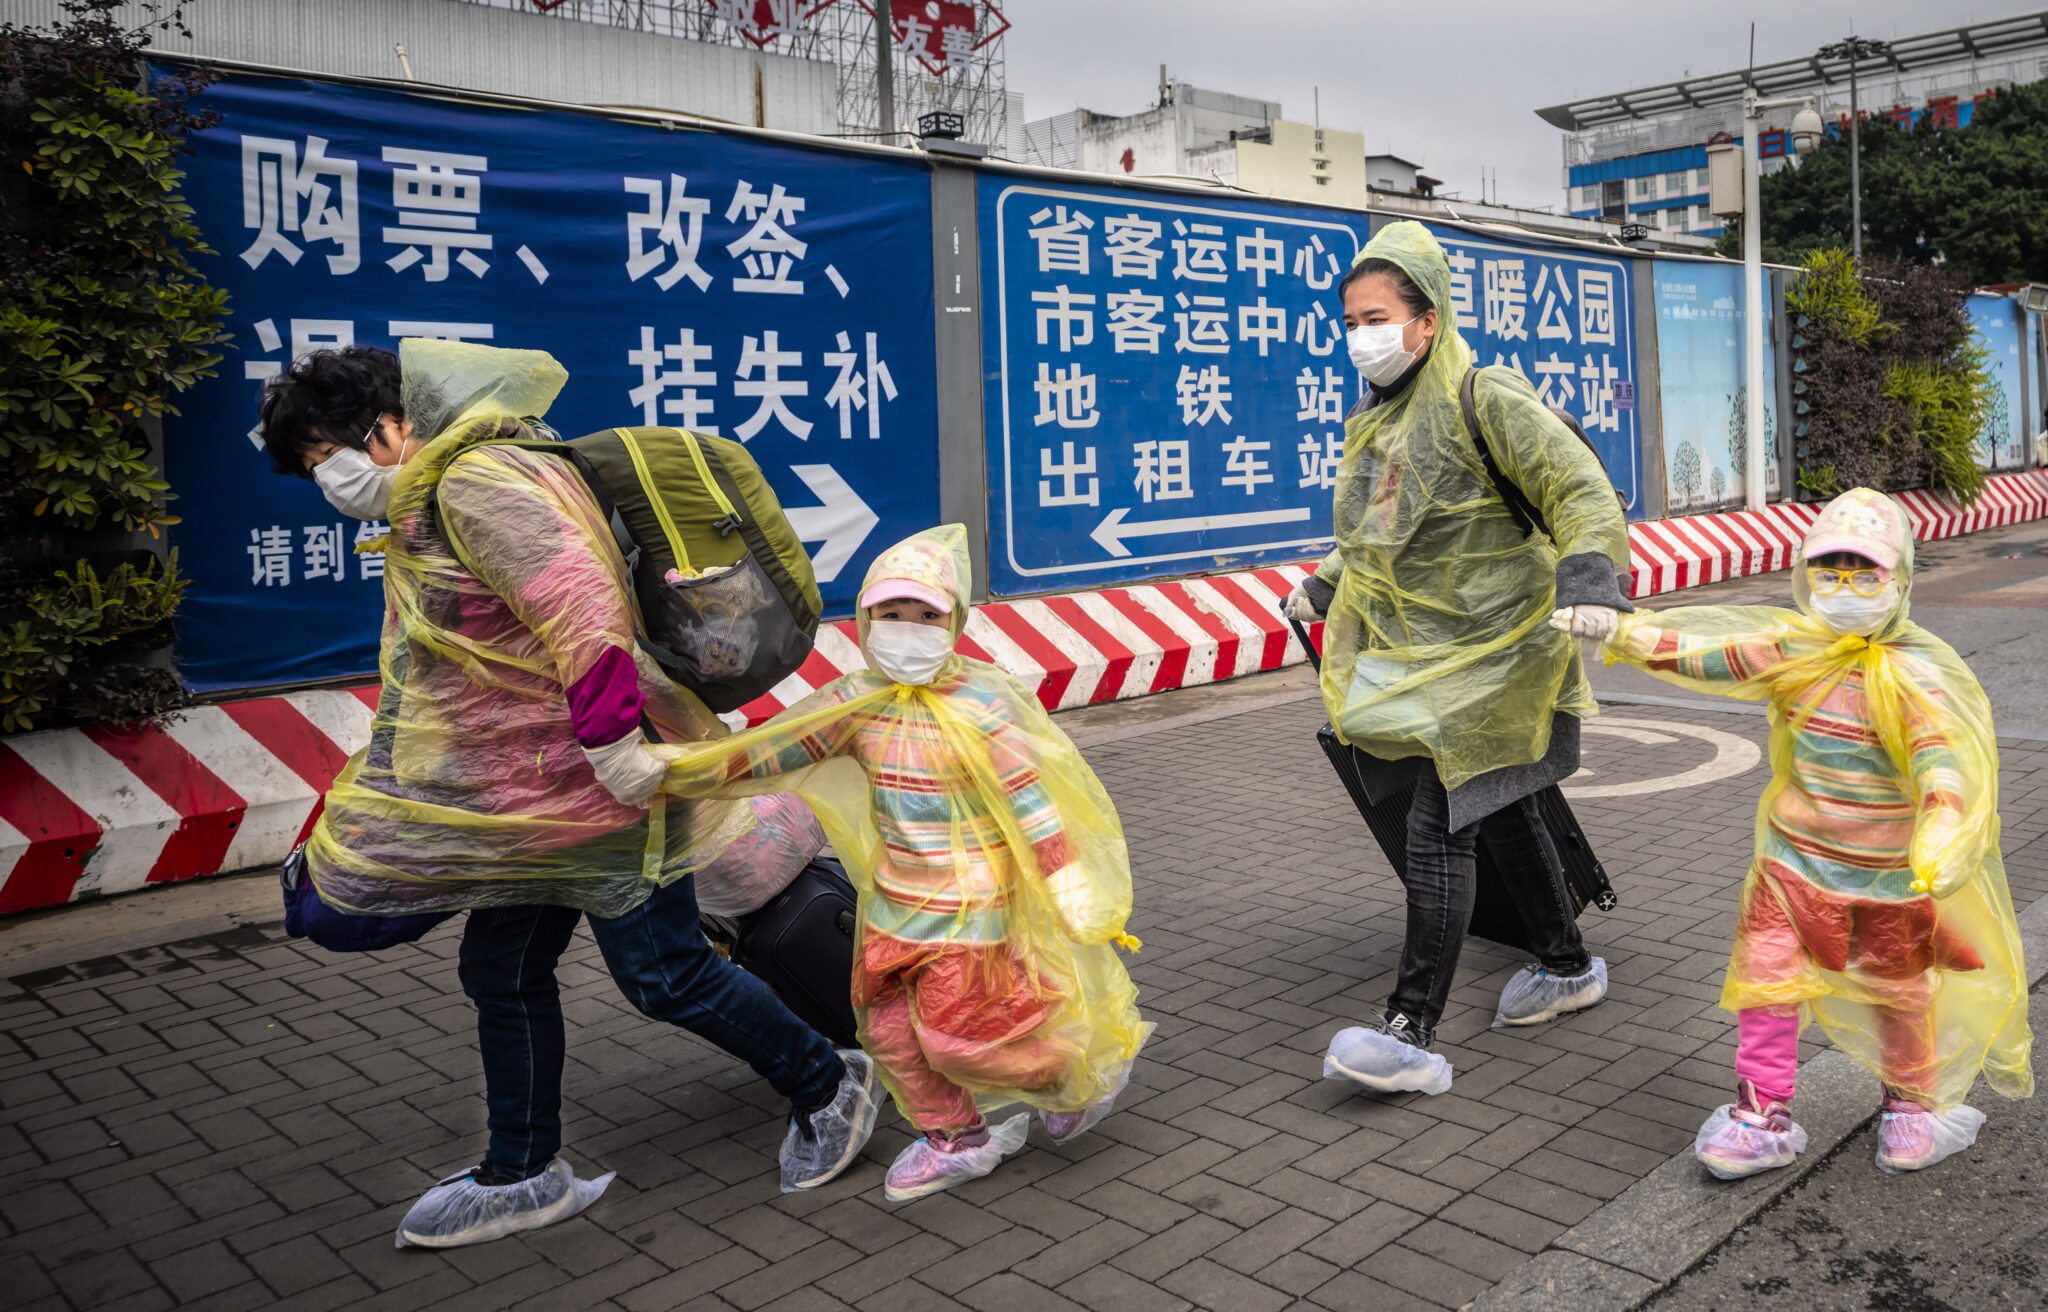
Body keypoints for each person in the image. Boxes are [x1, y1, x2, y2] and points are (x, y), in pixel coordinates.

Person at [256, 340, 878, 1246]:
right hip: (538, 806)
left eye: (329, 458)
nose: (332, 482)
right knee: (501, 971)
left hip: (605, 783)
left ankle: (828, 1083)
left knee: (663, 973)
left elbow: (581, 608)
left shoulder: (478, 479)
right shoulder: (440, 493)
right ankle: (524, 1169)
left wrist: (615, 746)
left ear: (390, 427)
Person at [656, 525, 1152, 1201]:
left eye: (927, 615)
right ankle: (958, 1139)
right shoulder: (858, 706)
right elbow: (775, 752)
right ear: (866, 619)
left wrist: (1067, 881)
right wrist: (670, 771)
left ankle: (1068, 1072)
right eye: (892, 614)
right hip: (893, 904)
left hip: (974, 907)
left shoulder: (981, 705)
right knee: (889, 1030)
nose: (907, 628)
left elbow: (1031, 802)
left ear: (954, 622)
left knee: (959, 1039)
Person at [1587, 488, 2031, 1177]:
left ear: (1899, 580)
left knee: (1900, 993)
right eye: (1830, 572)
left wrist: (1945, 820)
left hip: (1887, 874)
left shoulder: (1913, 672)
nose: (1845, 588)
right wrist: (1623, 635)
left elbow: (1943, 753)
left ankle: (1911, 1109)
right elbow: (1713, 654)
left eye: (1864, 573)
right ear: (1806, 576)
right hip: (1792, 868)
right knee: (1767, 986)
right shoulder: (1795, 650)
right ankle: (1761, 1117)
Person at [1285, 221, 1631, 1097]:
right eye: (1349, 319)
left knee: (1440, 826)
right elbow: (1377, 529)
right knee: (1498, 802)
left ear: (1426, 321)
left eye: (1376, 315)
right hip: (1428, 657)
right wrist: (1326, 587)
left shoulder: (1488, 396)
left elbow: (1579, 488)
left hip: (1505, 649)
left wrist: (1591, 579)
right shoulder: (1381, 419)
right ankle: (1565, 963)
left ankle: (1410, 1028)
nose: (1359, 335)